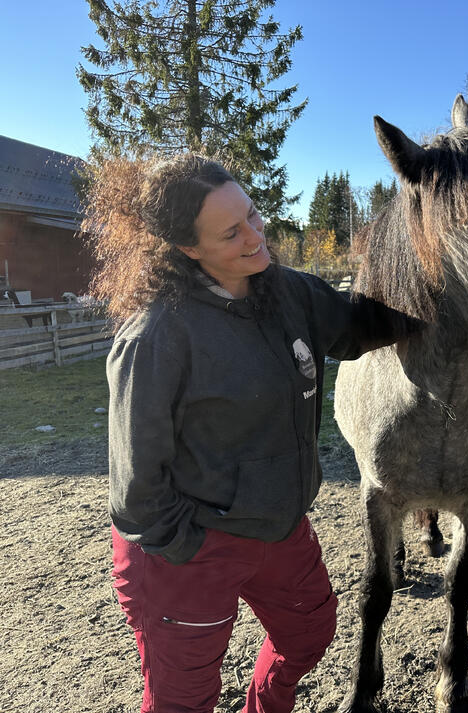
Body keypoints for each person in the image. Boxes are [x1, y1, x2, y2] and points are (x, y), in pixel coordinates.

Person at [86, 154, 418, 713]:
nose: (255, 236)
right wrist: (189, 550)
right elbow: (136, 489)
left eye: (253, 215)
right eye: (232, 232)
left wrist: (452, 298)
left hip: (277, 527)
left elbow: (361, 324)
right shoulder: (158, 335)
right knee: (182, 700)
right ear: (188, 249)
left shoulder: (286, 292)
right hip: (186, 549)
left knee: (310, 635)